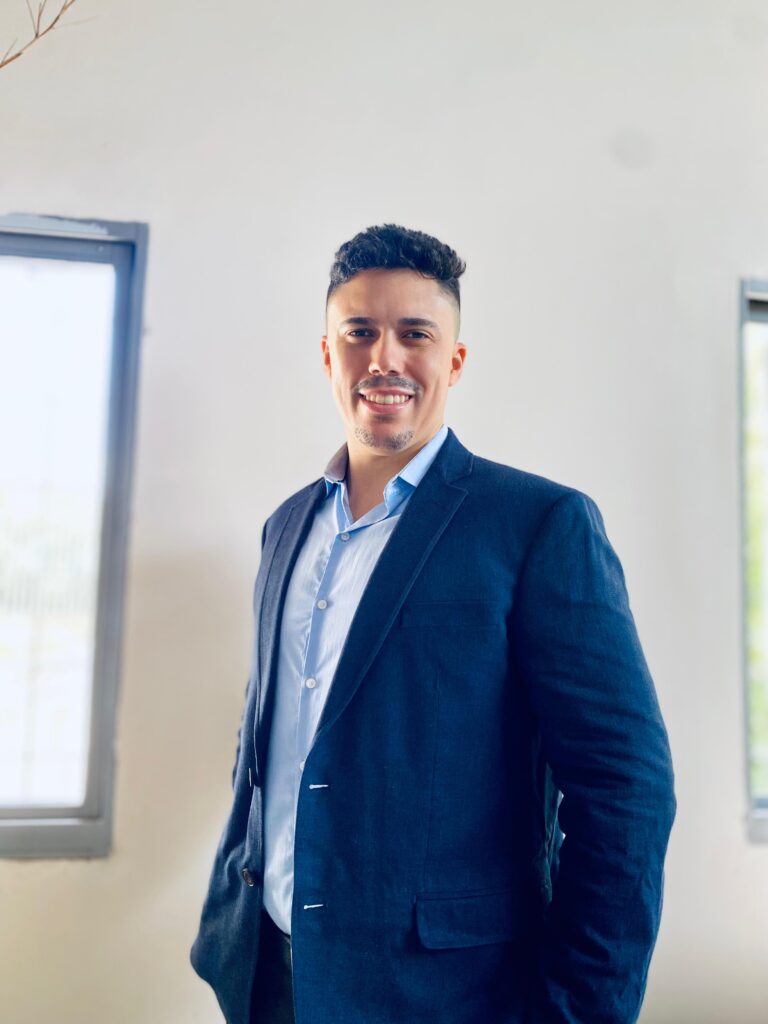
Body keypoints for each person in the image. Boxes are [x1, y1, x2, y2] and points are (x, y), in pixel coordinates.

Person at [189, 223, 677, 1024]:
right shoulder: (285, 528)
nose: (383, 358)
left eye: (415, 334)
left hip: (445, 994)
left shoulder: (538, 525)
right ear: (327, 355)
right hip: (262, 976)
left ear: (453, 360)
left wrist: (578, 1010)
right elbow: (275, 741)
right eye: (359, 333)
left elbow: (626, 790)